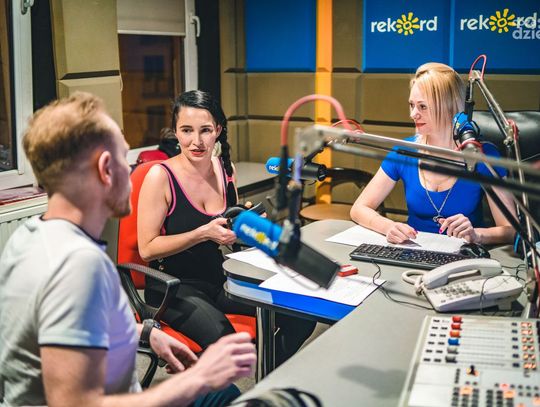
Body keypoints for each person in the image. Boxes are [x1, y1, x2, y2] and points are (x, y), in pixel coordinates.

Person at [0, 92, 256, 406]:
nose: (135, 175)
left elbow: (70, 327)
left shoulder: (28, 237)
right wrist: (196, 378)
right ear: (106, 168)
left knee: (226, 393)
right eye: (125, 158)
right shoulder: (77, 265)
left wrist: (143, 333)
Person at [138, 90, 315, 365]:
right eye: (186, 130)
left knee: (302, 315)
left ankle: (266, 374)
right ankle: (248, 372)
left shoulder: (225, 169)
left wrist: (245, 225)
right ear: (176, 132)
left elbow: (230, 233)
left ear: (218, 131)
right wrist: (203, 233)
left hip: (219, 278)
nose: (196, 141)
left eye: (205, 130)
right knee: (230, 347)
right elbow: (147, 249)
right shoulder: (159, 176)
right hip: (172, 288)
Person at [351, 62, 516, 245]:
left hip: (466, 256)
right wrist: (388, 226)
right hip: (413, 253)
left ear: (449, 107)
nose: (413, 114)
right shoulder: (404, 151)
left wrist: (476, 235)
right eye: (412, 105)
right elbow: (359, 208)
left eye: (423, 107)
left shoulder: (483, 156)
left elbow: (510, 230)